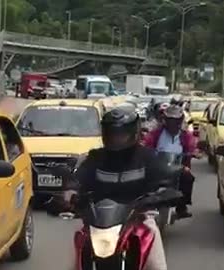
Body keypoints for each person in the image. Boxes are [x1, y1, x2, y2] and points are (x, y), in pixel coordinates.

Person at [64, 104, 169, 270]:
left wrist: (162, 192)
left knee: (154, 248)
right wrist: (70, 192)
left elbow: (162, 179)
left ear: (134, 133)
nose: (117, 138)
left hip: (137, 217)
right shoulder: (95, 157)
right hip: (99, 219)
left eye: (122, 134)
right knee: (78, 252)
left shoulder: (147, 157)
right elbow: (79, 177)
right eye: (113, 134)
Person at [142, 104, 199, 218]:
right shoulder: (156, 133)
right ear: (165, 120)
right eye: (170, 120)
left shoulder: (185, 136)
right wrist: (143, 148)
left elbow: (192, 146)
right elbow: (146, 142)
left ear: (180, 121)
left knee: (188, 177)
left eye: (176, 121)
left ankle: (181, 207)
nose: (173, 124)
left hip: (178, 166)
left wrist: (195, 152)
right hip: (157, 165)